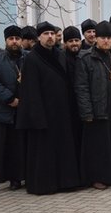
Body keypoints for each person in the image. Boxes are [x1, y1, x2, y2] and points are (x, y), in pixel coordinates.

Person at [17, 22, 81, 194]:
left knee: (63, 148)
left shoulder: (60, 55)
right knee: (44, 151)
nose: (50, 36)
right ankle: (45, 184)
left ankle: (66, 182)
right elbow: (30, 90)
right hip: (43, 112)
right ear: (39, 37)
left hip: (62, 110)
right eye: (46, 34)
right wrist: (37, 116)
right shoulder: (32, 58)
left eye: (52, 33)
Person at [75, 21, 111, 190]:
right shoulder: (85, 58)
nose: (106, 41)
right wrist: (86, 112)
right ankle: (98, 177)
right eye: (103, 38)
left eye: (109, 38)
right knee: (99, 147)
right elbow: (81, 87)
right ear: (96, 39)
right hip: (97, 109)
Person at [0, 26, 26, 190]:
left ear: (21, 40)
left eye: (17, 38)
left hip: (26, 111)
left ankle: (27, 175)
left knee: (26, 145)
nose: (14, 41)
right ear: (5, 40)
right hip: (5, 111)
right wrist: (10, 99)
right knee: (9, 147)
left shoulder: (28, 58)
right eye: (11, 39)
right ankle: (13, 179)